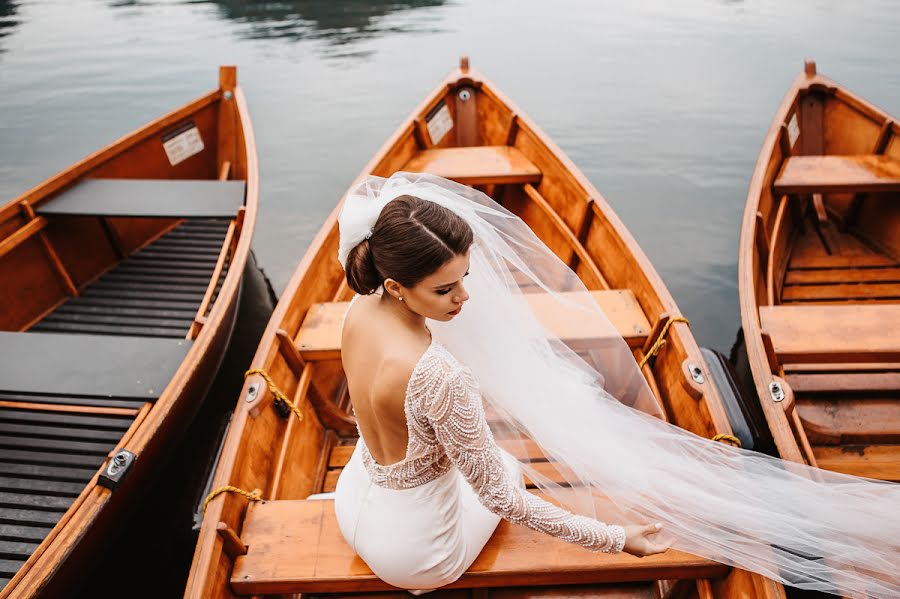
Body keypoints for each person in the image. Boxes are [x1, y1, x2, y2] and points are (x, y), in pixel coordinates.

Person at [333, 172, 899, 597]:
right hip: (416, 556)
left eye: (464, 278)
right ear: (397, 284)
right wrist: (616, 538)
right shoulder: (439, 375)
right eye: (445, 290)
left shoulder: (358, 312)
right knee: (505, 470)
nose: (465, 298)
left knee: (457, 462)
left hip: (357, 502)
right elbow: (503, 500)